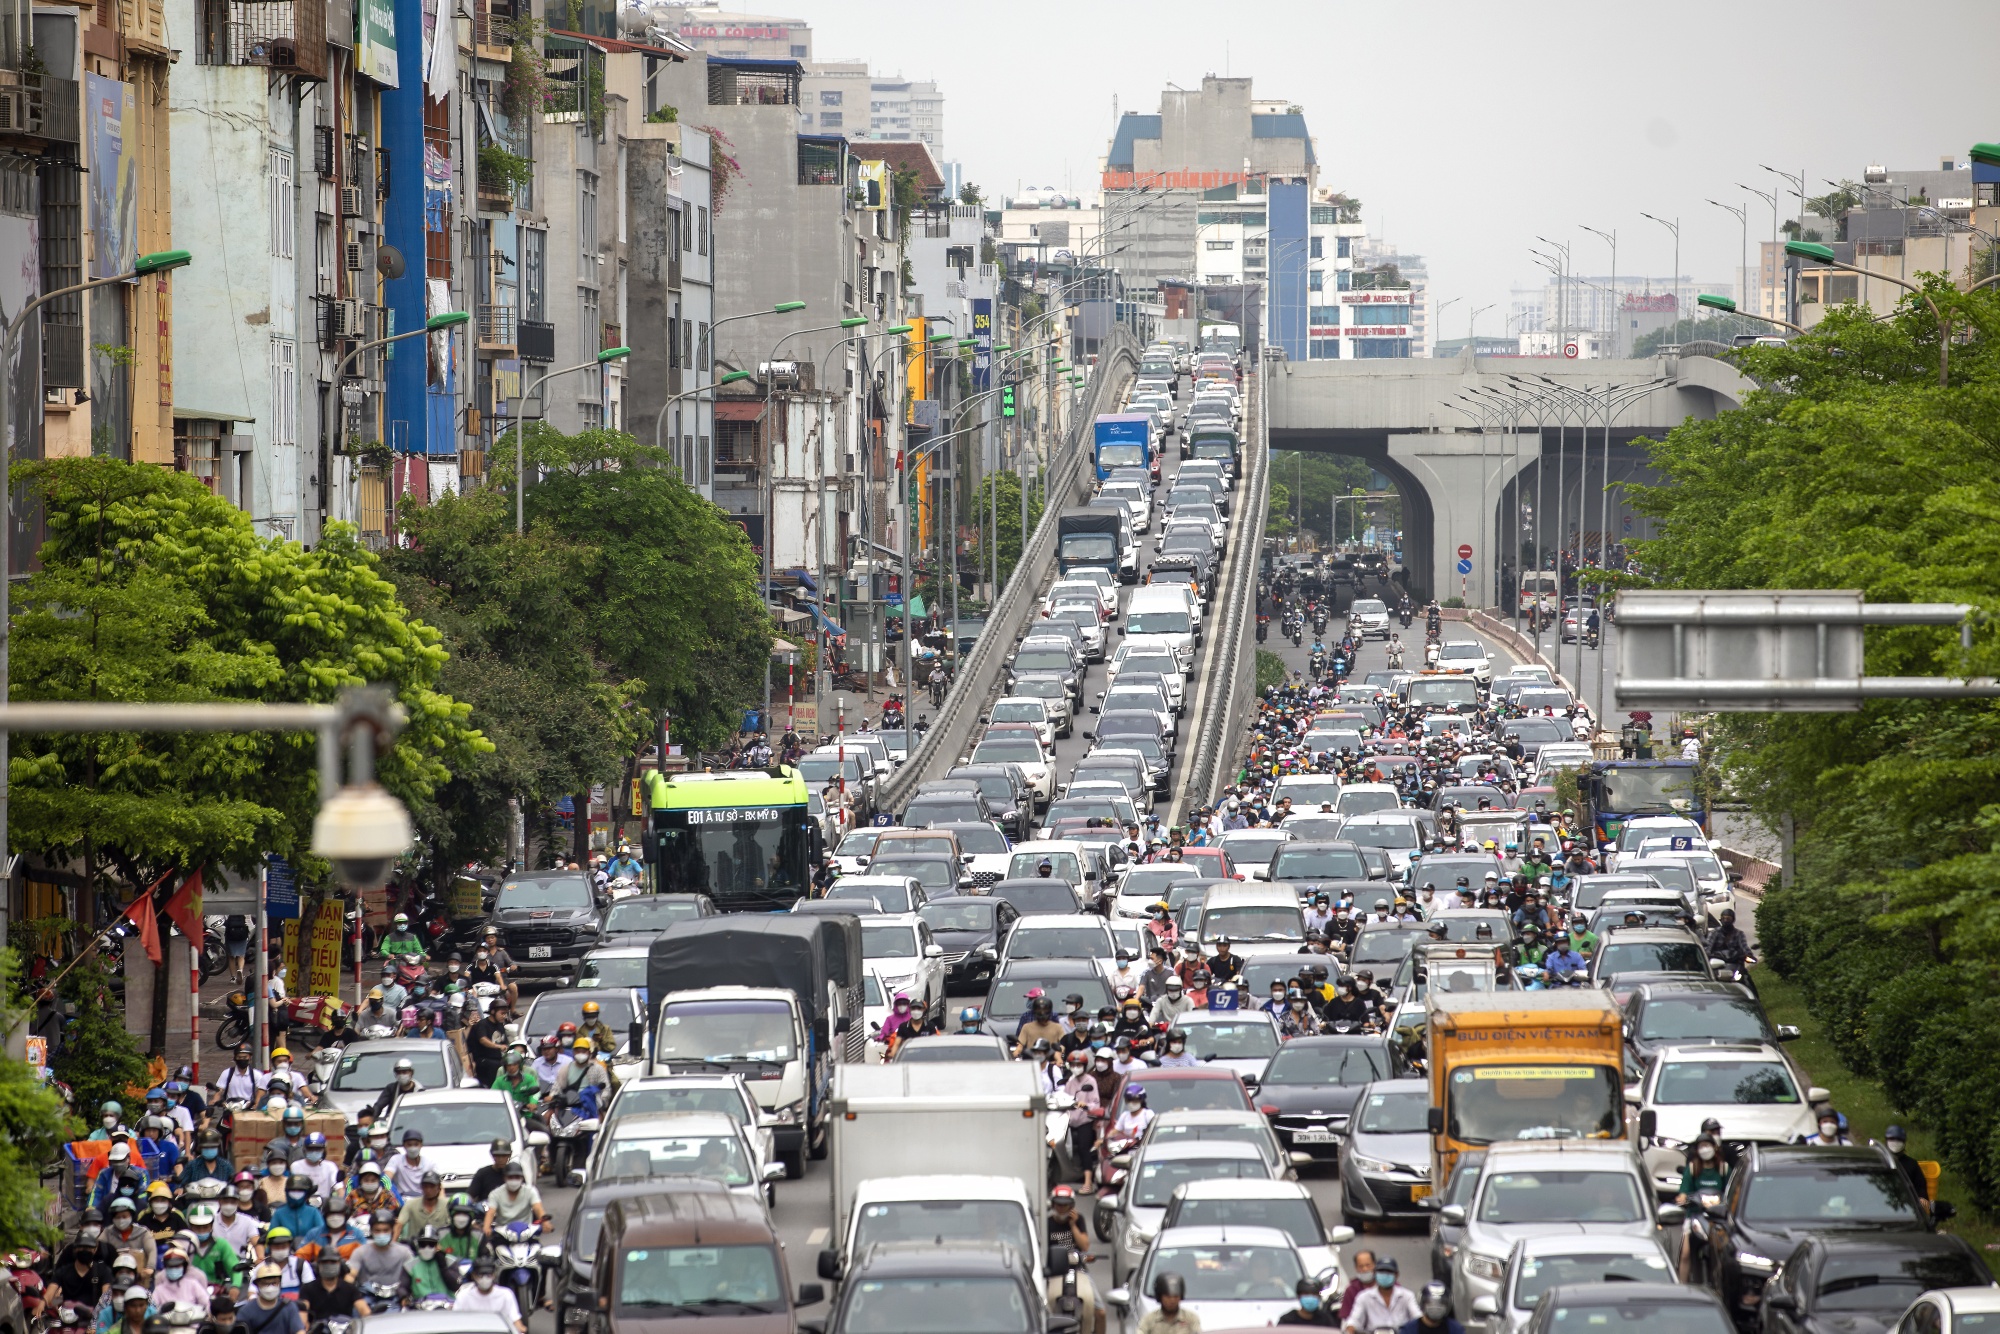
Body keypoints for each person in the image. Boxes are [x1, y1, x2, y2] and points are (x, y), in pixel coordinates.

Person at [1676, 1136, 1729, 1280]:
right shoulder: (1692, 1169)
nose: (1704, 1149)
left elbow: (1731, 1192)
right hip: (1694, 1216)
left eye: (1707, 1145)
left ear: (1714, 1147)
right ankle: (1682, 1285)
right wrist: (1683, 1199)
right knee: (1685, 1253)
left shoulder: (1723, 1168)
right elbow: (1683, 1193)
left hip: (1717, 1218)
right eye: (1701, 1146)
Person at [1344, 1255, 1420, 1334]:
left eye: (1388, 1272)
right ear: (1374, 1273)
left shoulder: (1407, 1296)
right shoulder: (1364, 1297)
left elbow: (1418, 1318)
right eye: (1381, 1271)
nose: (1384, 1275)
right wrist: (1351, 1327)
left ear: (1396, 1275)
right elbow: (1354, 1320)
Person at [349, 1210, 413, 1303]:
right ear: (371, 1231)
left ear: (392, 1230)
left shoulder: (404, 1252)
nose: (381, 1234)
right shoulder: (360, 1252)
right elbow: (351, 1274)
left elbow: (415, 1274)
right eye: (377, 1230)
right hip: (367, 1297)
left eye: (385, 1230)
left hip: (397, 1298)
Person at [454, 1258, 525, 1334]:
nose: (485, 1279)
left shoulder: (506, 1295)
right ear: (473, 1275)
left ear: (494, 1275)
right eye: (480, 1275)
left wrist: (520, 1329)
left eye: (488, 1275)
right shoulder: (464, 1296)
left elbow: (515, 1321)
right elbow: (455, 1322)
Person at [296, 1253, 367, 1326]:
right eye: (325, 1262)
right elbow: (302, 1315)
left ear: (340, 1264)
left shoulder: (350, 1289)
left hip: (344, 1329)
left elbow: (364, 1311)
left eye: (333, 1262)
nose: (329, 1266)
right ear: (318, 1265)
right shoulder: (307, 1288)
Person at [482, 1161, 547, 1237]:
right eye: (510, 1177)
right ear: (504, 1178)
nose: (514, 1180)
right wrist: (486, 1227)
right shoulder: (495, 1194)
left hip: (526, 1234)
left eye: (517, 1177)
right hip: (503, 1235)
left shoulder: (530, 1191)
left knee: (538, 1248)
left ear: (522, 1178)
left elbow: (538, 1208)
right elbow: (491, 1212)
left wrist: (545, 1222)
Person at [231, 1265, 303, 1334]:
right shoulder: (246, 1311)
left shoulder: (289, 1307)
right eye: (265, 1284)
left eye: (274, 1283)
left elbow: (299, 1331)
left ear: (279, 1283)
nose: (270, 1287)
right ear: (258, 1285)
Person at [402, 1227, 456, 1304]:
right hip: (420, 1306)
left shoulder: (450, 1261)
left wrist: (443, 1265)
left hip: (447, 1305)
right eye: (423, 1244)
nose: (427, 1248)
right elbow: (402, 1286)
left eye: (431, 1244)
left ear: (437, 1245)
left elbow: (456, 1286)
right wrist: (404, 1297)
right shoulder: (410, 1265)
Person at [395, 1171, 451, 1243]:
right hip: (415, 1246)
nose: (428, 1190)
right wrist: (392, 1245)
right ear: (421, 1187)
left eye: (432, 1186)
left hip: (440, 1247)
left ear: (439, 1188)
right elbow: (399, 1224)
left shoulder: (447, 1205)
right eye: (425, 1186)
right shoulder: (411, 1204)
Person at [467, 1000, 512, 1086]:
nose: (504, 1016)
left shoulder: (500, 1025)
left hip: (498, 1058)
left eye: (505, 1014)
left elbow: (505, 1042)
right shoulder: (482, 1024)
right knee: (496, 1066)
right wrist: (498, 1046)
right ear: (493, 1012)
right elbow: (483, 1040)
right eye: (502, 1013)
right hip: (484, 1060)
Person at [1396, 1282, 1462, 1334]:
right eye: (1430, 1302)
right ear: (1423, 1303)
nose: (1435, 1307)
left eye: (1441, 1303)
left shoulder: (1455, 1329)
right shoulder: (1409, 1330)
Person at [467, 1141, 518, 1206]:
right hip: (486, 1210)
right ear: (492, 1155)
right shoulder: (483, 1173)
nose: (500, 1159)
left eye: (504, 1155)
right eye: (497, 1155)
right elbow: (470, 1195)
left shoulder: (515, 1173)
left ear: (510, 1155)